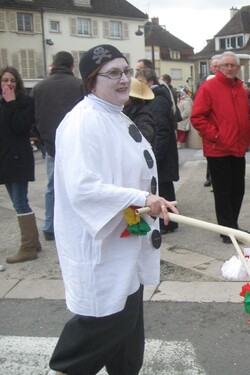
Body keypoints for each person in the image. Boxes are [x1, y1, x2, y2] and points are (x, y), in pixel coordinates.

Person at [47, 44, 178, 375]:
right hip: (101, 249)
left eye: (126, 71)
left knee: (128, 334)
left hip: (125, 244)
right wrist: (142, 198)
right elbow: (83, 187)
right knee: (99, 329)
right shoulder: (82, 122)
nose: (124, 80)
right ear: (93, 80)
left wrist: (152, 200)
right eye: (114, 73)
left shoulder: (115, 115)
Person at [191, 51, 250, 244]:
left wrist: (247, 133)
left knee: (238, 189)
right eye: (225, 65)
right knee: (223, 191)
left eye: (232, 65)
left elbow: (243, 116)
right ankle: (227, 231)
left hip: (237, 148)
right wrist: (216, 135)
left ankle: (232, 226)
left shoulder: (240, 89)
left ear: (237, 67)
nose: (229, 68)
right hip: (218, 150)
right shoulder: (209, 87)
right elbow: (197, 117)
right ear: (219, 67)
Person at [30, 51, 84, 241]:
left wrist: (42, 139)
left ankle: (50, 226)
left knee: (53, 187)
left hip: (51, 144)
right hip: (77, 145)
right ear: (72, 66)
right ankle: (77, 225)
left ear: (53, 64)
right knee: (79, 185)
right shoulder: (79, 85)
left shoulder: (39, 87)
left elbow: (33, 116)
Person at [0, 66, 42, 264]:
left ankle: (28, 247)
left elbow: (21, 126)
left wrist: (11, 104)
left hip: (19, 158)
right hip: (5, 159)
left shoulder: (24, 102)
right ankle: (34, 242)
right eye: (5, 80)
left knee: (19, 202)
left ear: (17, 83)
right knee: (17, 201)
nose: (8, 84)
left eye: (12, 80)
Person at [135, 68, 179, 235]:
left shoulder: (158, 100)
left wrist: (156, 155)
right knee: (163, 187)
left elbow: (162, 130)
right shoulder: (155, 98)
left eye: (140, 82)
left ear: (150, 82)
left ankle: (169, 223)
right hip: (161, 152)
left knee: (164, 187)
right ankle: (168, 222)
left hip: (161, 153)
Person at [197, 55, 221, 188]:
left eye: (219, 66)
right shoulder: (203, 82)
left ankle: (215, 180)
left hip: (222, 127)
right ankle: (209, 177)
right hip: (208, 126)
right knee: (210, 154)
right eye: (214, 66)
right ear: (211, 68)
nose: (217, 68)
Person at [123, 77, 156, 146]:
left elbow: (145, 137)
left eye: (124, 94)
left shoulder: (143, 116)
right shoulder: (124, 111)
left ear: (133, 98)